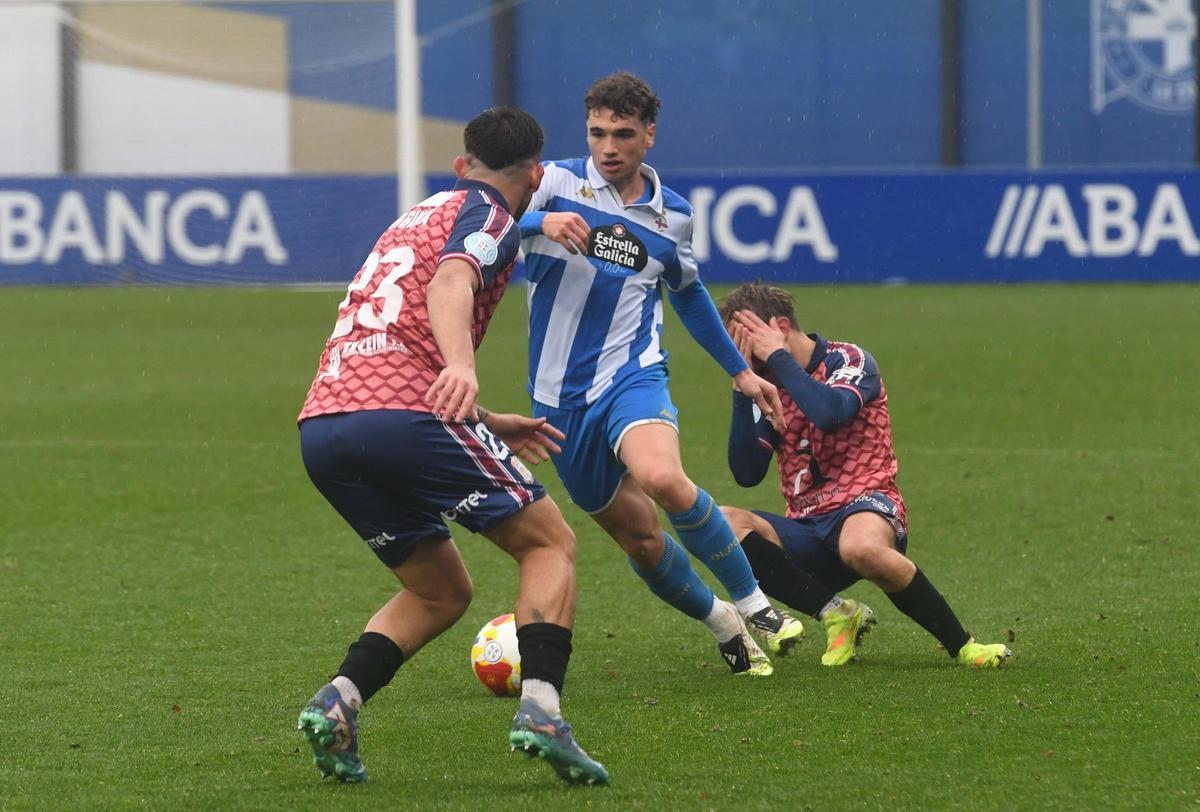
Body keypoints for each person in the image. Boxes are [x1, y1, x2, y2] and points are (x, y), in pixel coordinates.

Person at [293, 106, 607, 787]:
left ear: (461, 164)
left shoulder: (417, 213)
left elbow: (392, 329)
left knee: (440, 590)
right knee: (550, 544)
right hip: (405, 415)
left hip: (324, 424)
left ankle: (337, 702)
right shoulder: (490, 213)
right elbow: (449, 283)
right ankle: (543, 711)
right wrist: (464, 370)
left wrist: (485, 417)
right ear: (535, 174)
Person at [519, 71, 814, 677]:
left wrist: (740, 372)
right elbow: (474, 219)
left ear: (649, 135)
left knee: (663, 477)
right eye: (597, 133)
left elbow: (687, 293)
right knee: (645, 543)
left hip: (633, 375)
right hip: (557, 401)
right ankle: (722, 621)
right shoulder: (550, 183)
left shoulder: (671, 216)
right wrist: (534, 223)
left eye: (623, 134)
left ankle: (758, 606)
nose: (608, 147)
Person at [718, 281, 1013, 668]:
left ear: (781, 327)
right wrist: (743, 393)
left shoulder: (849, 360)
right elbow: (746, 472)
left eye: (747, 343)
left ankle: (964, 646)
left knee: (859, 547)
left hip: (867, 506)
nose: (743, 357)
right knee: (720, 523)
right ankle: (836, 612)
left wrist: (777, 358)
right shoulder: (764, 384)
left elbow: (829, 412)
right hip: (806, 527)